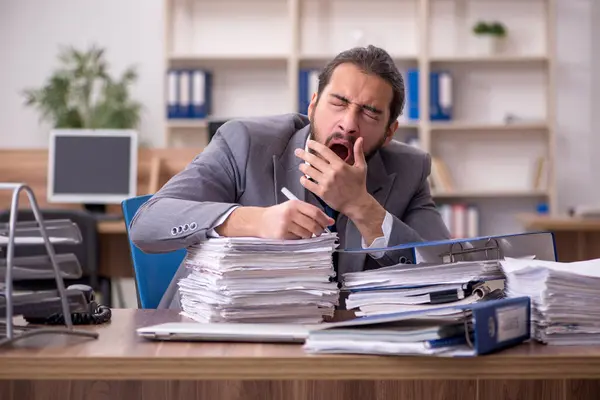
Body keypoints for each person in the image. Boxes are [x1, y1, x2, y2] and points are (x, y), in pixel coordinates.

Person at [129, 45, 451, 309]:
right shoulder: (245, 142)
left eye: (369, 113)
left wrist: (364, 209)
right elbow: (147, 223)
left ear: (389, 132)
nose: (348, 124)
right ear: (312, 106)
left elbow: (447, 272)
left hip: (342, 349)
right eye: (338, 103)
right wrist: (252, 221)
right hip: (223, 337)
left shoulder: (410, 170)